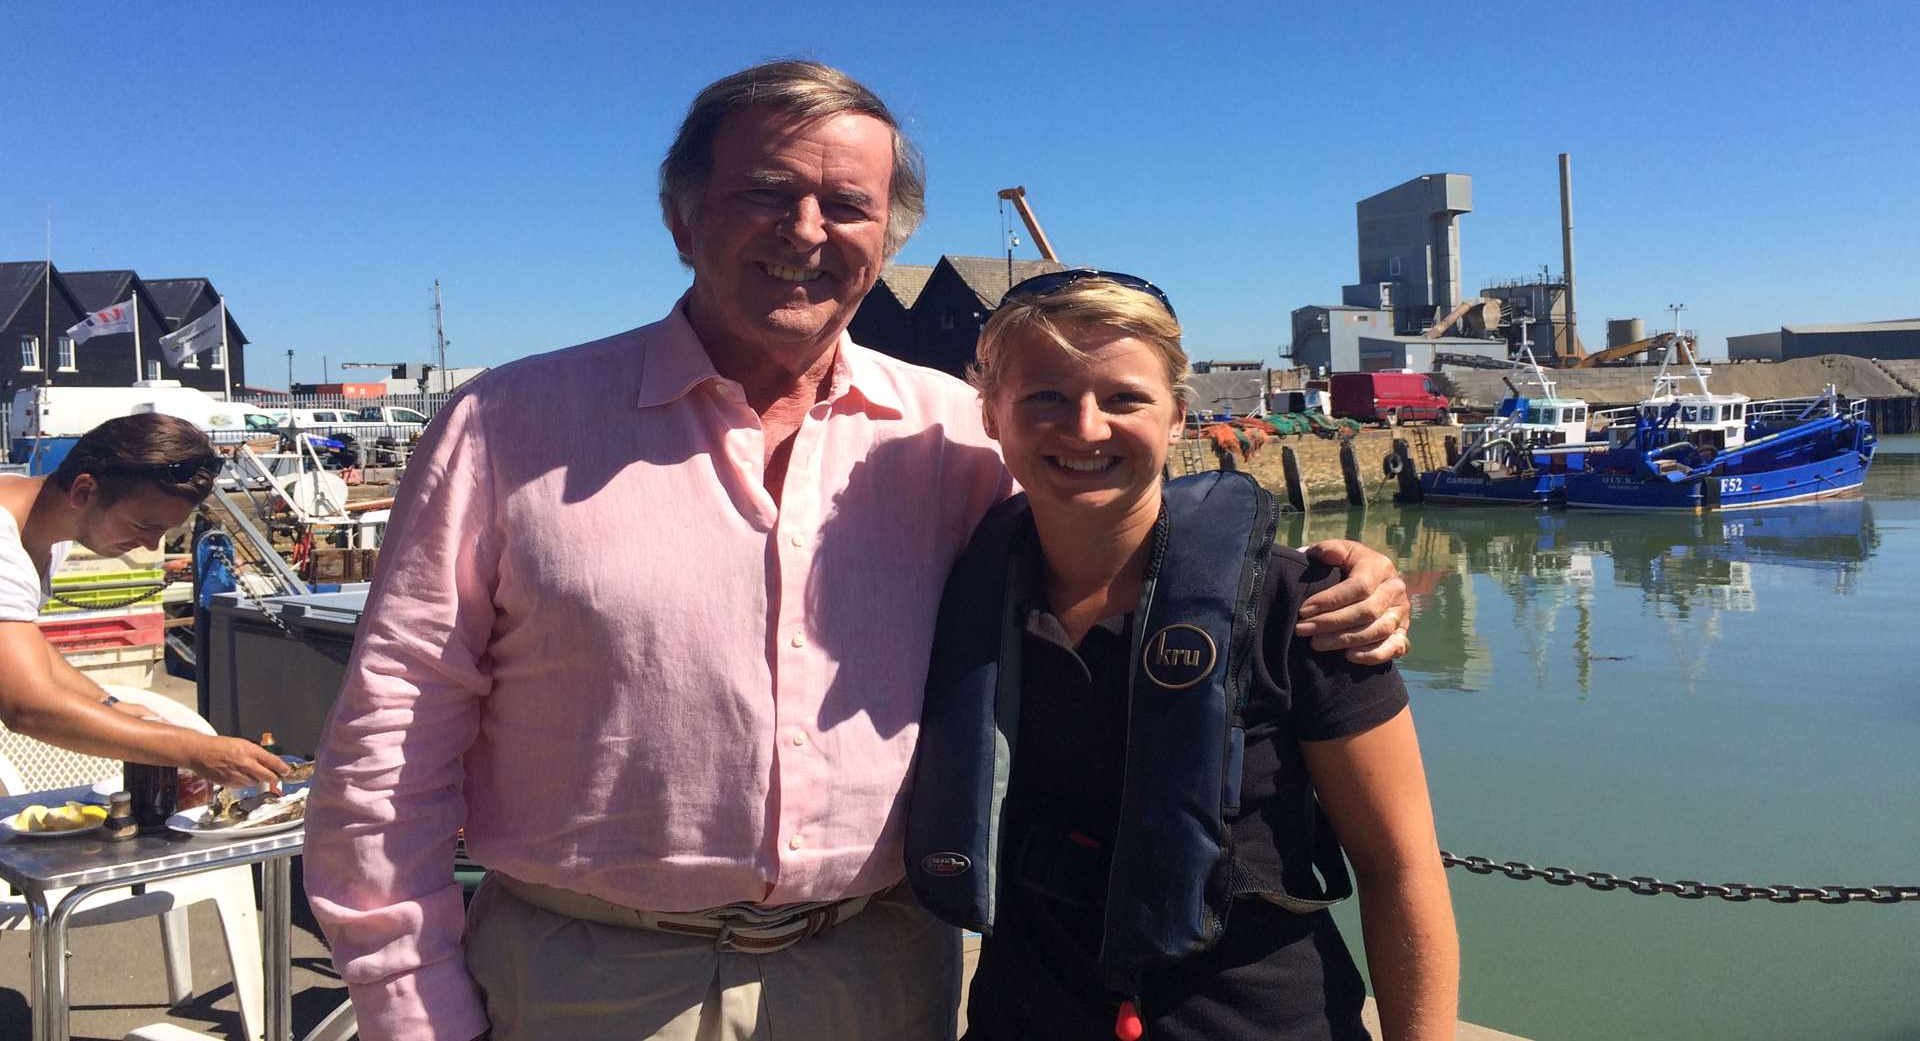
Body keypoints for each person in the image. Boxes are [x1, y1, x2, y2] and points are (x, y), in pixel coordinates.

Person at [305, 60, 1412, 1041]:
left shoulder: (956, 429)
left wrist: (1337, 571)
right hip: (582, 980)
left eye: (847, 204)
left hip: (880, 975)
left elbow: (1115, 522)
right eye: (764, 193)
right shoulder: (507, 423)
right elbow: (393, 735)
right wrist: (411, 1004)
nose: (805, 230)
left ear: (888, 237)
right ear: (681, 218)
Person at [906, 272, 1457, 1040]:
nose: (1086, 428)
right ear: (992, 416)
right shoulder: (952, 595)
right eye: (1044, 398)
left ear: (1178, 419)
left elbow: (1400, 868)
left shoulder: (1304, 610)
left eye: (1124, 399)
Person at [0, 413, 290, 787]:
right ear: (83, 491)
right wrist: (194, 750)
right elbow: (29, 708)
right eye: (142, 526)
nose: (152, 545)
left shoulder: (40, 530)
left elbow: (21, 645)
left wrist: (108, 705)